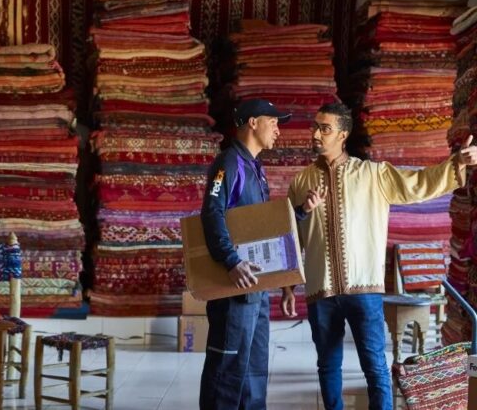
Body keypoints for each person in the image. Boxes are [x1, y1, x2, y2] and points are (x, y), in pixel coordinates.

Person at [282, 102, 477, 410]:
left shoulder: (373, 174)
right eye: (315, 127)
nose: (317, 134)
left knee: (374, 367)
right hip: (321, 290)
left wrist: (456, 163)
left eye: (325, 128)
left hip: (364, 290)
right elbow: (290, 235)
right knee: (327, 366)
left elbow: (418, 184)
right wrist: (288, 285)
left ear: (343, 134)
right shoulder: (301, 182)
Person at [199, 98, 291, 409]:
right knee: (226, 371)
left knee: (254, 371)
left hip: (257, 289)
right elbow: (212, 212)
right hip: (234, 290)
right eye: (273, 121)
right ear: (252, 122)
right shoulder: (228, 164)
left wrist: (302, 212)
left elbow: (258, 226)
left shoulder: (255, 168)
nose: (278, 129)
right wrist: (231, 260)